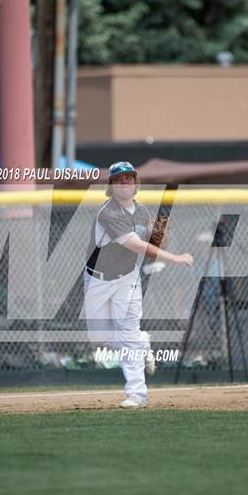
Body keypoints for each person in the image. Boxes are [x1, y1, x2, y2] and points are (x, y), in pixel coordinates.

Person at [83, 161, 194, 409]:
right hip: (97, 279)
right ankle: (141, 341)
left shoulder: (143, 212)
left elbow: (154, 246)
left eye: (129, 179)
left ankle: (137, 394)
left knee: (127, 335)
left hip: (127, 280)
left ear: (135, 184)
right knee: (99, 339)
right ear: (111, 186)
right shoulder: (107, 212)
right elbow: (136, 245)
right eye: (119, 180)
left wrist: (160, 233)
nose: (125, 183)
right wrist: (174, 257)